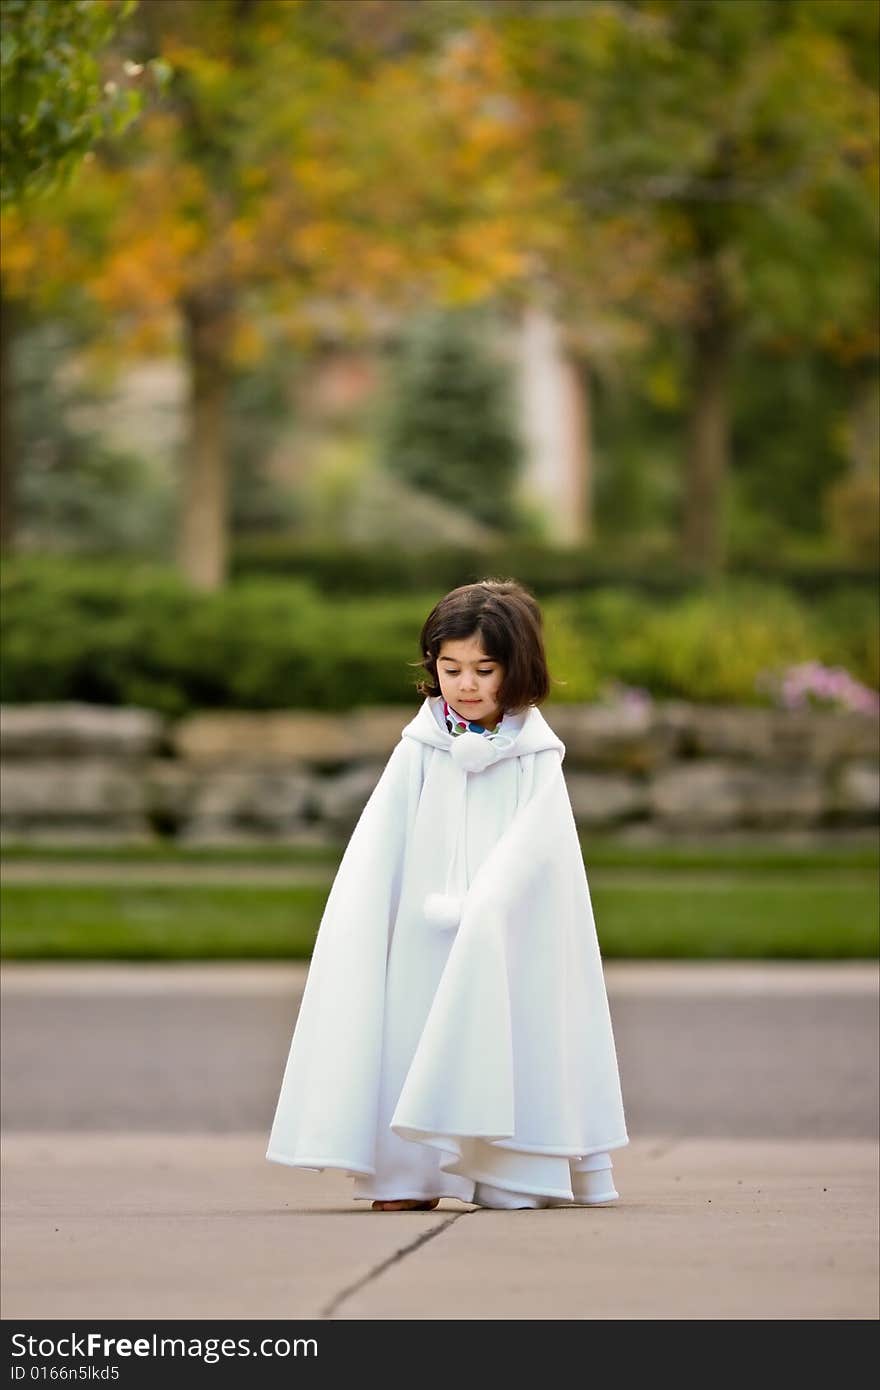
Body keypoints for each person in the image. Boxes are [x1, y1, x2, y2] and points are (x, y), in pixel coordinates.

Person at [266, 578, 628, 1210]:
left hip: (503, 931)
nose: (466, 684)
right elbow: (383, 844)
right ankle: (409, 1176)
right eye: (451, 667)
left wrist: (491, 904)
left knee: (501, 1028)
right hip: (420, 931)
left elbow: (542, 850)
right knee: (414, 1026)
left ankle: (505, 1168)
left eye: (484, 670)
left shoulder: (534, 755)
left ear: (517, 669)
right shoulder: (421, 749)